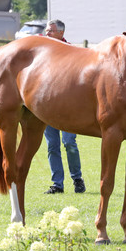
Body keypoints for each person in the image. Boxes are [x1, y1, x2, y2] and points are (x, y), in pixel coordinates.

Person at [42, 19, 86, 194]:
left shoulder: (72, 52)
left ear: (61, 33)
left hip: (69, 108)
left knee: (69, 143)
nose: (47, 33)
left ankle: (77, 178)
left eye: (51, 31)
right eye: (46, 30)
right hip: (48, 107)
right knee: (52, 146)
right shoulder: (42, 52)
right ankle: (57, 184)